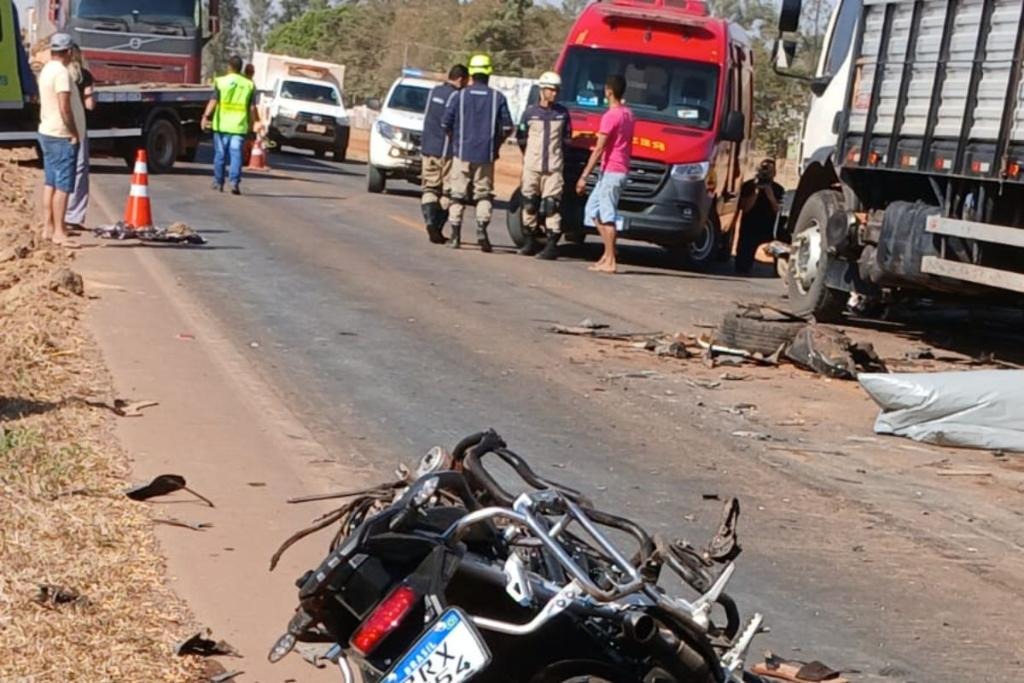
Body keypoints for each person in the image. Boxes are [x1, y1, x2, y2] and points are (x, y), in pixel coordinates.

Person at [442, 53, 513, 251]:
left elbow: (445, 124)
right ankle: (481, 230)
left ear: (471, 73)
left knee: (457, 195)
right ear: (489, 73)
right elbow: (508, 127)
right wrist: (495, 145)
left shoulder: (459, 96)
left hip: (461, 154)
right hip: (485, 155)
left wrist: (456, 143)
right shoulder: (498, 98)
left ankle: (455, 235)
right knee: (483, 195)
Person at [575, 74, 634, 274]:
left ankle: (611, 260)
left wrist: (584, 175)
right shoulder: (628, 114)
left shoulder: (611, 116)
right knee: (592, 211)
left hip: (613, 170)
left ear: (609, 91)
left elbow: (599, 148)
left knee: (607, 215)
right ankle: (608, 254)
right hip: (614, 170)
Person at [37, 32, 84, 247]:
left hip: (47, 131)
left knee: (51, 182)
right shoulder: (61, 74)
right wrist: (73, 132)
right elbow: (64, 107)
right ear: (69, 52)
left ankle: (49, 227)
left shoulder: (47, 69)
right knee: (63, 186)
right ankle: (59, 232)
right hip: (61, 134)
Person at [518, 71, 571, 260]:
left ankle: (551, 245)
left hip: (553, 169)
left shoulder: (562, 114)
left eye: (557, 90)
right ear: (542, 90)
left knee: (551, 206)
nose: (554, 93)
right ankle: (530, 241)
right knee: (529, 204)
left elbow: (566, 139)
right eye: (551, 90)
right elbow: (521, 138)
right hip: (532, 167)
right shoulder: (530, 113)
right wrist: (529, 158)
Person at [420, 64, 469, 244]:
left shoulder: (434, 92)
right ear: (461, 79)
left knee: (429, 188)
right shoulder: (456, 96)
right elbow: (452, 124)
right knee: (448, 191)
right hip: (446, 151)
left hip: (428, 148)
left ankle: (429, 222)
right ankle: (437, 227)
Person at [201, 55, 260, 195]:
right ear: (240, 68)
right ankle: (234, 183)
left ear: (229, 67)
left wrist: (205, 116)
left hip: (221, 125)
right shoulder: (248, 84)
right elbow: (252, 108)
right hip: (239, 126)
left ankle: (218, 182)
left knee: (220, 155)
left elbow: (214, 100)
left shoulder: (221, 82)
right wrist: (254, 123)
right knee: (236, 154)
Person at [64, 43, 95, 231]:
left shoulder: (57, 73)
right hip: (79, 125)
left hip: (57, 126)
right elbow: (90, 105)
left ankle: (56, 215)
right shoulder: (85, 76)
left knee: (61, 169)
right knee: (79, 169)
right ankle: (73, 216)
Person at [735, 158, 784, 274]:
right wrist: (755, 192)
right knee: (742, 267)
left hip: (770, 228)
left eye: (770, 170)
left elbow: (779, 211)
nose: (766, 173)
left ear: (774, 173)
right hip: (750, 228)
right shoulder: (748, 186)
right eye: (764, 169)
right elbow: (745, 208)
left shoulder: (778, 189)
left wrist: (771, 196)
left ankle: (779, 267)